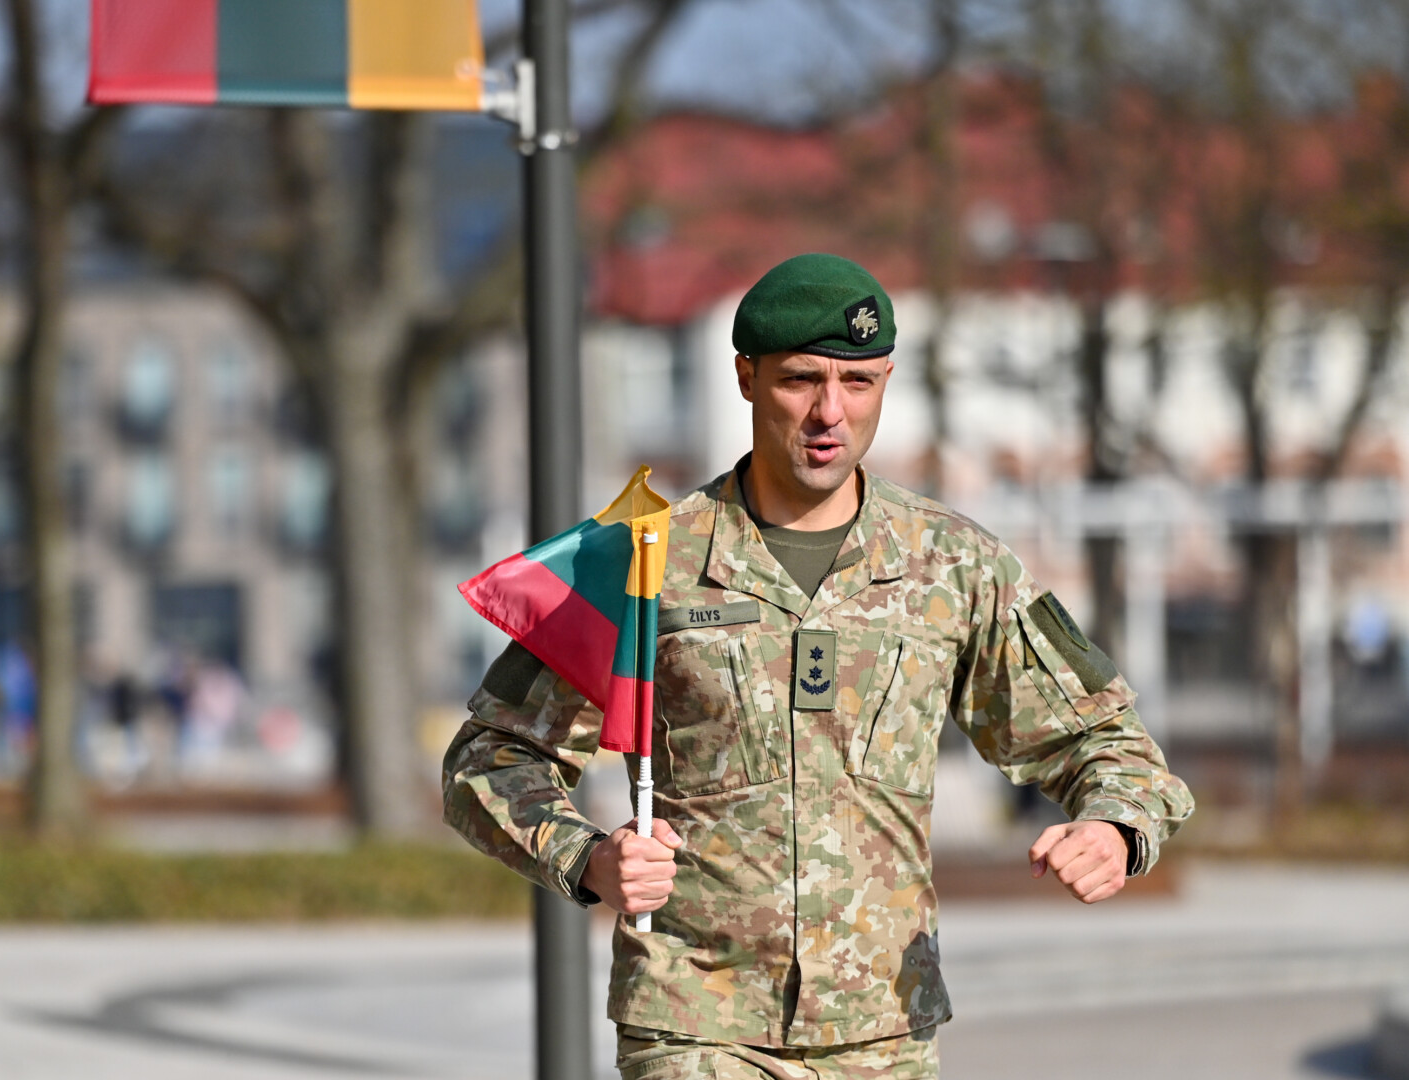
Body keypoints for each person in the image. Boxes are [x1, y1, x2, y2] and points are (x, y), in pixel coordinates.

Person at [442, 252, 1194, 1079]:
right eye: (801, 379)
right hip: (697, 1022)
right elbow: (488, 758)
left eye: (858, 382)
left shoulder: (952, 566)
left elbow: (1109, 745)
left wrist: (1116, 827)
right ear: (747, 378)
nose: (830, 411)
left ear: (886, 381)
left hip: (883, 1031)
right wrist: (586, 859)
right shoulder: (646, 560)